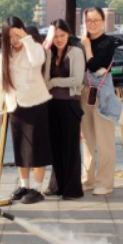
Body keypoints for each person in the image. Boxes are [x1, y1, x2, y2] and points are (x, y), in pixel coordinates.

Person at [0, 16, 53, 204]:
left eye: (17, 35)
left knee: (37, 149)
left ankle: (37, 188)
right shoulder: (3, 57)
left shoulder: (33, 49)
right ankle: (24, 185)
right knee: (20, 148)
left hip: (35, 105)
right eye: (10, 37)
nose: (15, 40)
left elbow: (38, 60)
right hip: (15, 107)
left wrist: (25, 38)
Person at [44, 19, 85, 200]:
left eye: (62, 35)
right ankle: (59, 186)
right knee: (55, 148)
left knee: (70, 148)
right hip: (51, 105)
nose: (59, 39)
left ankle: (72, 189)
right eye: (55, 36)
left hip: (70, 105)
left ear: (68, 34)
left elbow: (77, 80)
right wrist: (50, 83)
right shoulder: (49, 54)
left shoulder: (76, 52)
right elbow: (45, 80)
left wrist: (54, 82)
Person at [79, 7, 117, 195]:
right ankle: (88, 180)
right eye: (89, 20)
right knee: (87, 139)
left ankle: (105, 182)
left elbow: (94, 65)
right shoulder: (81, 42)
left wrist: (86, 47)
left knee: (105, 140)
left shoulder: (108, 42)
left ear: (103, 21)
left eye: (96, 20)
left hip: (103, 94)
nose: (92, 24)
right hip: (85, 92)